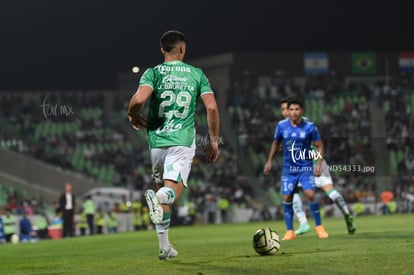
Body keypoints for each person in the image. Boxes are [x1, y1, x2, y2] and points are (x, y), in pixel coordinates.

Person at [128, 30, 220, 260]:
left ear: (162, 50)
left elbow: (139, 100)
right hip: (181, 140)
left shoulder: (152, 73)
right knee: (170, 196)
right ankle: (157, 198)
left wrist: (132, 115)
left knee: (163, 193)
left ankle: (164, 247)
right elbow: (211, 108)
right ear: (182, 49)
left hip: (157, 142)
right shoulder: (196, 74)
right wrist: (214, 141)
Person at [278, 97, 356, 235]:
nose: (285, 112)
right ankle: (306, 222)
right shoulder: (286, 126)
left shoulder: (303, 123)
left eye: (287, 109)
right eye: (283, 109)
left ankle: (343, 215)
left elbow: (314, 144)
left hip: (311, 163)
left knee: (329, 193)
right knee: (293, 191)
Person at [263, 97, 328, 240]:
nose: (293, 112)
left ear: (302, 111)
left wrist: (318, 164)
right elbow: (275, 143)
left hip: (305, 167)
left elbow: (319, 145)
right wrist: (269, 161)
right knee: (287, 197)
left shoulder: (310, 126)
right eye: (290, 109)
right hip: (288, 169)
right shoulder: (281, 126)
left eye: (296, 109)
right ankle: (290, 231)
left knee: (310, 194)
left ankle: (319, 227)